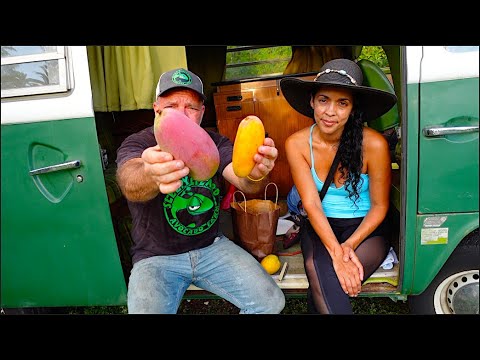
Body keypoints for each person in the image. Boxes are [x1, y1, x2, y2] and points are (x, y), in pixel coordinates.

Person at [116, 68, 285, 314]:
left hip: (211, 247)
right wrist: (150, 173)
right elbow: (130, 181)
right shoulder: (139, 143)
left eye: (191, 107)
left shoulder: (214, 143)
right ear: (157, 109)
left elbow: (244, 181)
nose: (182, 115)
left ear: (202, 112)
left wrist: (256, 173)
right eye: (172, 106)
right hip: (156, 258)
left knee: (270, 303)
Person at [279, 58, 397, 314]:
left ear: (353, 108)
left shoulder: (374, 145)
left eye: (342, 103)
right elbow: (310, 204)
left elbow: (380, 206)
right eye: (324, 100)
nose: (330, 111)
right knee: (322, 272)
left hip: (366, 228)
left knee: (328, 281)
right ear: (312, 101)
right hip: (322, 223)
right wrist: (335, 250)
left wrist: (348, 247)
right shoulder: (296, 144)